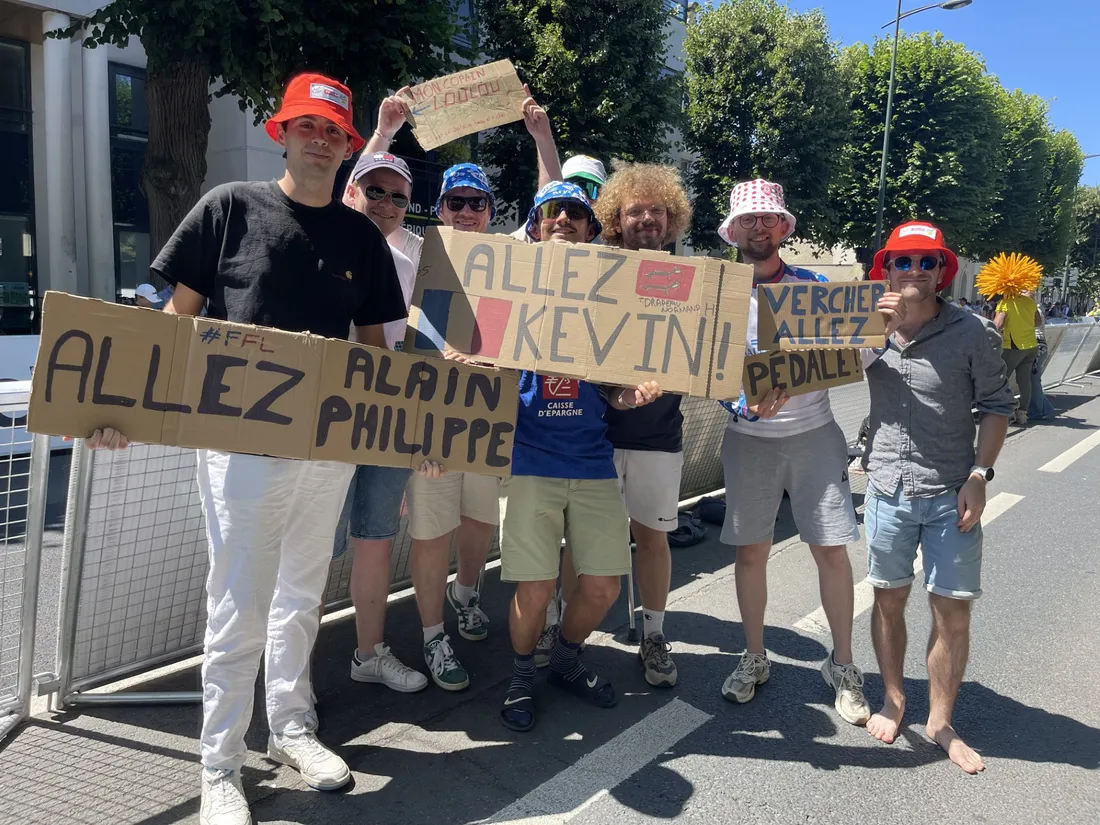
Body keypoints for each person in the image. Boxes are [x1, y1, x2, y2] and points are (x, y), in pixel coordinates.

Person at [80, 73, 412, 825]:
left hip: (327, 452)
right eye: (308, 126)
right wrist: (117, 408)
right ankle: (219, 763)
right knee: (238, 603)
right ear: (282, 132)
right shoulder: (228, 207)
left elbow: (377, 361)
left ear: (348, 143)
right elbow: (173, 326)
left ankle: (293, 727)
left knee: (301, 596)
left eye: (334, 130)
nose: (320, 140)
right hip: (239, 450)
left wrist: (421, 423)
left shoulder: (365, 238)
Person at [712, 179, 897, 726]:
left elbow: (853, 362)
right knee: (750, 553)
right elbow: (702, 368)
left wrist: (877, 333)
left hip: (815, 436)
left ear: (784, 228)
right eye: (750, 219)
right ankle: (754, 656)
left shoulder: (816, 290)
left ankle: (842, 664)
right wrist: (741, 408)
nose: (760, 226)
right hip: (748, 442)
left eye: (770, 218)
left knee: (831, 551)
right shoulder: (718, 295)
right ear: (734, 230)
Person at [497, 180, 665, 731]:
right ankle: (521, 674)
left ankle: (565, 655)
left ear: (592, 230)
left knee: (603, 585)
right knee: (536, 585)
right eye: (552, 212)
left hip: (592, 461)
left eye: (575, 213)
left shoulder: (607, 300)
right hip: (531, 461)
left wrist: (630, 395)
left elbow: (613, 390)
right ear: (537, 225)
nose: (563, 219)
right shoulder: (513, 290)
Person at [862, 221, 1013, 774]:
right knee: (888, 601)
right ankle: (894, 698)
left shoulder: (972, 332)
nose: (915, 271)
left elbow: (998, 403)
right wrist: (872, 334)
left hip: (953, 493)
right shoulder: (864, 326)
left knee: (952, 611)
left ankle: (941, 719)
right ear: (887, 268)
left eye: (927, 262)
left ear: (942, 271)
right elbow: (825, 376)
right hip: (886, 487)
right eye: (903, 261)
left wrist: (980, 473)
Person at [574, 162, 692, 688]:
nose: (647, 217)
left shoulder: (695, 283)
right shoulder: (596, 273)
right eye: (634, 210)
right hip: (591, 436)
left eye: (657, 210)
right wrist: (612, 395)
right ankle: (561, 633)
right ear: (616, 219)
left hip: (657, 437)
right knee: (574, 543)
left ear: (672, 221)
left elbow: (704, 357)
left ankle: (654, 635)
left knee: (652, 539)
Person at [994, 288, 1041, 426]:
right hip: (1031, 345)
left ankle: (1005, 412)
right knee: (1024, 380)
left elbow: (998, 324)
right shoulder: (1029, 302)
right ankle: (1022, 413)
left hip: (1013, 346)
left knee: (1000, 378)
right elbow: (1037, 322)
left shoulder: (1005, 303)